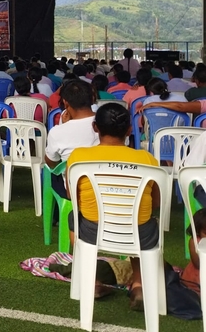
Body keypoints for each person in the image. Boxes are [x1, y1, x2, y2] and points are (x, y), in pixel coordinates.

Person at [65, 104, 160, 310]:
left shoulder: (78, 157)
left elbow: (72, 196)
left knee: (74, 216)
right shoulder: (148, 160)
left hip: (93, 231)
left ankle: (91, 281)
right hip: (139, 233)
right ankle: (139, 285)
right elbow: (156, 203)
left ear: (95, 127)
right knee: (143, 219)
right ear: (129, 130)